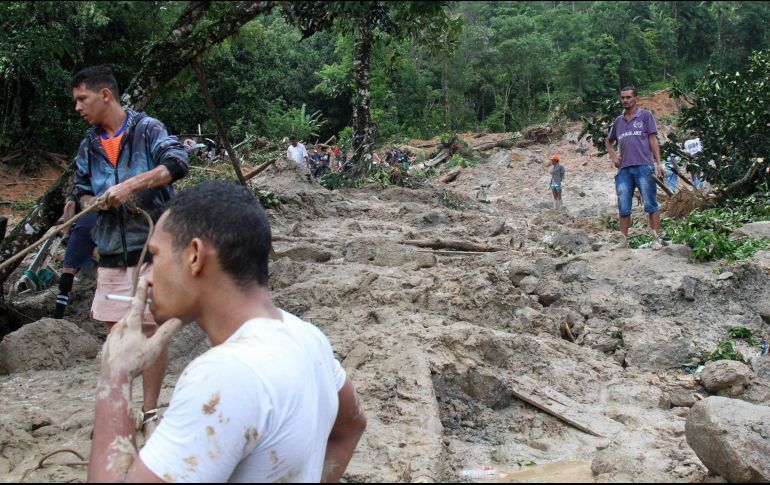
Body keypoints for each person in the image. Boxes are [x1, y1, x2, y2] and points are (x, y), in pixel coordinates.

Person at [87, 181, 367, 483]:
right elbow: (350, 428)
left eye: (154, 256)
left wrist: (115, 376)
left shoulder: (224, 375)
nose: (147, 278)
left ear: (195, 256)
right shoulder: (306, 336)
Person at [71, 65, 189, 436]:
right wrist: (93, 202)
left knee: (151, 330)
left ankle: (150, 412)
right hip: (110, 251)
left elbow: (177, 163)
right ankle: (121, 413)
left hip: (152, 249)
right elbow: (80, 188)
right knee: (117, 337)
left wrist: (130, 186)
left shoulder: (147, 129)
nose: (78, 107)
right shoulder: (89, 144)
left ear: (105, 95)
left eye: (82, 99)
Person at [605, 85, 664, 251]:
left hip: (644, 166)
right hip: (624, 170)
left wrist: (659, 162)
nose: (625, 100)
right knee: (623, 205)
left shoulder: (645, 116)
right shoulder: (618, 121)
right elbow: (608, 141)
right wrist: (613, 156)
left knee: (651, 203)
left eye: (628, 97)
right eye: (623, 97)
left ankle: (655, 239)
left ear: (636, 99)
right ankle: (623, 241)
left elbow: (653, 139)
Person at [53, 194, 98, 319]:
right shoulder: (111, 184)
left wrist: (66, 234)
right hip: (111, 224)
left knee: (69, 269)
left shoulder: (79, 186)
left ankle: (58, 315)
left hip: (86, 223)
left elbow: (70, 205)